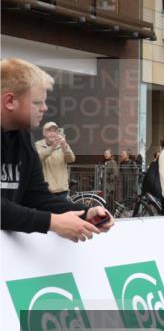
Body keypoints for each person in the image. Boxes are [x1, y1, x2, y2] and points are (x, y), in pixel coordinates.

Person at [1, 58, 112, 240]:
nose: (45, 108)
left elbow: (36, 196)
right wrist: (52, 222)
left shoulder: (23, 137)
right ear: (10, 101)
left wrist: (86, 212)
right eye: (37, 103)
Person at [35, 121, 76, 197]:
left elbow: (71, 159)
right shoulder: (38, 145)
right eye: (49, 131)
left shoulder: (63, 145)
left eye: (55, 131)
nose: (52, 133)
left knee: (63, 209)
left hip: (62, 189)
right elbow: (37, 158)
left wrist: (64, 146)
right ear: (44, 133)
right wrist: (52, 148)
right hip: (45, 189)